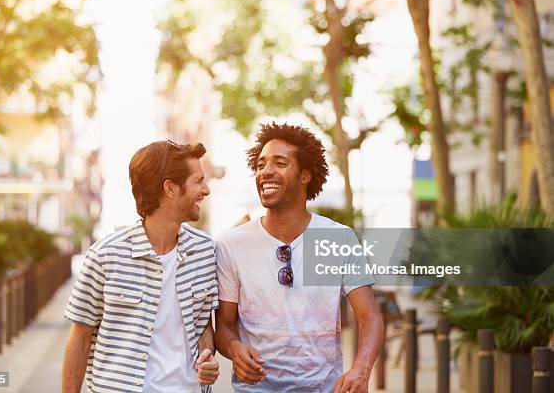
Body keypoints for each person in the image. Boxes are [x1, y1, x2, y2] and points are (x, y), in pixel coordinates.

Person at [214, 123, 384, 393]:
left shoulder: (338, 239)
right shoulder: (231, 244)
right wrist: (235, 350)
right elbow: (223, 325)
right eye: (260, 165)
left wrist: (361, 370)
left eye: (279, 163)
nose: (265, 171)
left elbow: (369, 316)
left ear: (305, 175)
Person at [62, 140, 219, 393]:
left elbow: (202, 326)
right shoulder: (105, 256)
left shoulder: (205, 251)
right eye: (198, 181)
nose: (206, 190)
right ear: (170, 188)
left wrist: (207, 354)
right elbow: (79, 338)